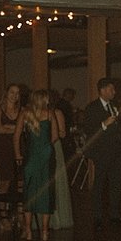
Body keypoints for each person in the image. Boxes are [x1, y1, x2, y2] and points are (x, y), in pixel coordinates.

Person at [82, 77, 121, 229]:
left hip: (116, 152)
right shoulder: (92, 108)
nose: (114, 92)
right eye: (111, 89)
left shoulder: (114, 106)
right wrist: (104, 125)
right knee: (99, 183)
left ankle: (114, 214)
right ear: (102, 90)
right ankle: (97, 216)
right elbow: (88, 129)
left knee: (116, 183)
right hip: (101, 152)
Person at [14, 89, 58, 241]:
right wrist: (45, 146)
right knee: (46, 191)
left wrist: (18, 154)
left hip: (31, 156)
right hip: (46, 155)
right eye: (46, 99)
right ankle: (45, 232)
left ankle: (28, 231)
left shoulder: (24, 114)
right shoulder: (49, 114)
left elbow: (16, 136)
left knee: (29, 191)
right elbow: (55, 136)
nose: (48, 101)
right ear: (42, 100)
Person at [0, 84, 22, 197]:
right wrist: (18, 128)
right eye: (12, 92)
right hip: (5, 147)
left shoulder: (22, 110)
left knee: (20, 181)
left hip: (19, 145)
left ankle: (20, 213)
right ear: (6, 93)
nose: (15, 95)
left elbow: (25, 128)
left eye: (17, 93)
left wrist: (9, 127)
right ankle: (2, 212)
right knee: (5, 181)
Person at [49, 93, 74, 230]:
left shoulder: (57, 112)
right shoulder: (38, 113)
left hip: (55, 147)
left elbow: (63, 133)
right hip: (42, 148)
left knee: (57, 179)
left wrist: (50, 135)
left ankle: (58, 217)